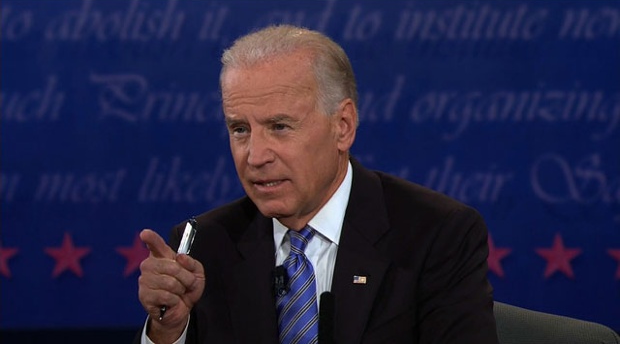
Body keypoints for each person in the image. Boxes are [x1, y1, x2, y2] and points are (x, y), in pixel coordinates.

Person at [135, 24, 499, 344]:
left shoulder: (436, 235)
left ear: (342, 126)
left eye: (279, 126)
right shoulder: (206, 246)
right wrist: (169, 332)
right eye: (240, 129)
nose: (256, 155)